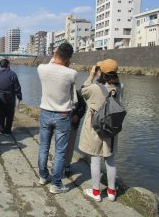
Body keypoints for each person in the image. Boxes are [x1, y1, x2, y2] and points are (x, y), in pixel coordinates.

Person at [79, 59, 123, 202]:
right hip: (111, 127)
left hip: (95, 127)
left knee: (95, 158)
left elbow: (82, 90)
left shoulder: (94, 88)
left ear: (101, 72)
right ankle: (111, 192)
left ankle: (96, 192)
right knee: (110, 159)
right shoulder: (121, 87)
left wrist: (91, 75)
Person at [37, 43, 77, 194]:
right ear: (69, 58)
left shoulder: (41, 69)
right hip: (63, 115)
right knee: (60, 151)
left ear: (55, 54)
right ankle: (56, 184)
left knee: (43, 146)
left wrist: (53, 57)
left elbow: (49, 65)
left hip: (45, 112)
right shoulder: (72, 73)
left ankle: (43, 176)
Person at [0, 59, 22, 135]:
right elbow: (17, 87)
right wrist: (19, 97)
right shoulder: (12, 74)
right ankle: (8, 130)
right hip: (10, 98)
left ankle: (1, 129)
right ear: (8, 64)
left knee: (1, 113)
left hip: (0, 97)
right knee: (10, 115)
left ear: (0, 65)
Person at [64, 91, 86, 177]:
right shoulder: (58, 89)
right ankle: (59, 165)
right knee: (60, 146)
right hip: (59, 123)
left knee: (70, 146)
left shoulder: (76, 93)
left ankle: (67, 166)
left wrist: (77, 115)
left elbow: (83, 107)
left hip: (73, 124)